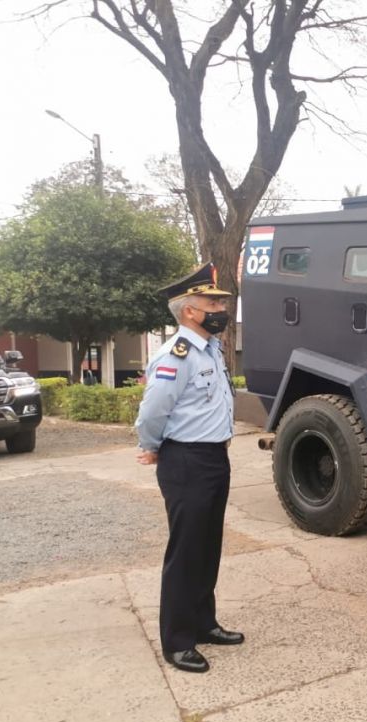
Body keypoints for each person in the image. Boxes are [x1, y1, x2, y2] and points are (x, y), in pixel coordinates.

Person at [135, 262, 243, 674]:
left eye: (221, 301)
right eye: (211, 301)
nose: (220, 307)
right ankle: (177, 641)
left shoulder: (212, 350)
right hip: (187, 459)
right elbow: (153, 411)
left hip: (215, 457)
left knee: (207, 545)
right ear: (188, 311)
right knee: (185, 551)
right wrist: (151, 447)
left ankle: (203, 623)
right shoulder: (175, 355)